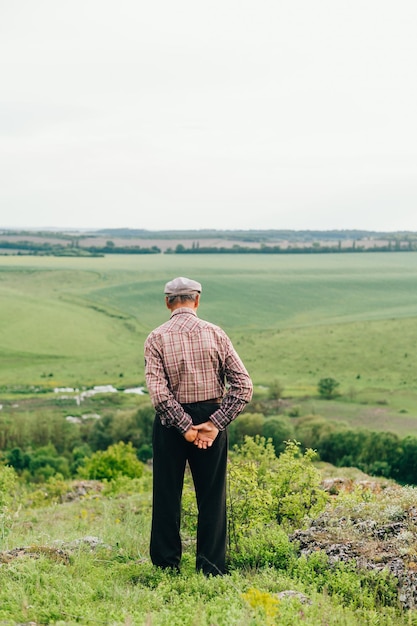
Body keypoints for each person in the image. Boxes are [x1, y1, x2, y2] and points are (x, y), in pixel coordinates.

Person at [144, 276, 253, 576]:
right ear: (197, 300)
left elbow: (159, 395)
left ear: (167, 302)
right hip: (211, 416)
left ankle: (166, 566)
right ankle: (211, 567)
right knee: (212, 496)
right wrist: (214, 424)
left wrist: (185, 427)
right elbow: (244, 386)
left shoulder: (156, 337)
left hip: (170, 424)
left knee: (167, 494)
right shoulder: (216, 334)